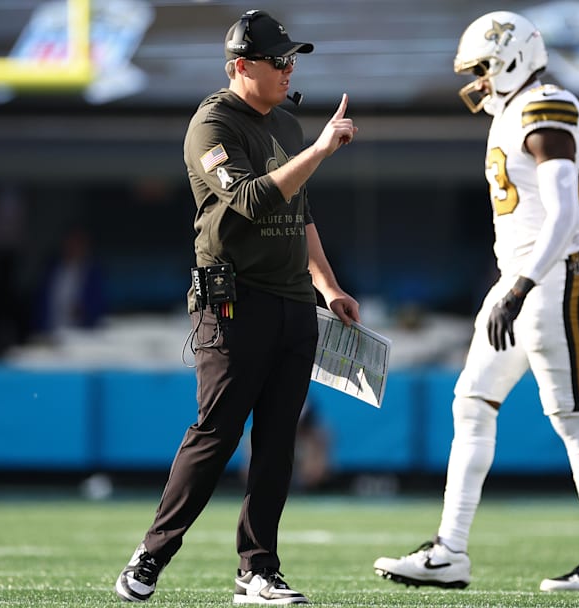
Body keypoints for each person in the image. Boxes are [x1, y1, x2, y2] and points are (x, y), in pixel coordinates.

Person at [372, 11, 579, 592]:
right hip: (525, 274)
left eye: (484, 69)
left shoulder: (545, 106)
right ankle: (450, 550)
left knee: (571, 414)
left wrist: (520, 286)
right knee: (471, 401)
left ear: (512, 57)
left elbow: (564, 215)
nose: (480, 82)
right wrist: (514, 281)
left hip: (552, 273)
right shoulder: (518, 109)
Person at [114, 9, 359, 605]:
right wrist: (323, 150)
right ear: (240, 66)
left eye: (291, 58)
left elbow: (300, 217)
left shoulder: (288, 126)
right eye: (278, 59)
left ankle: (259, 571)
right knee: (217, 433)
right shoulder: (212, 124)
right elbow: (250, 200)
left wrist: (329, 287)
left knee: (279, 441)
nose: (288, 68)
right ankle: (151, 555)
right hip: (234, 302)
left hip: (293, 303)